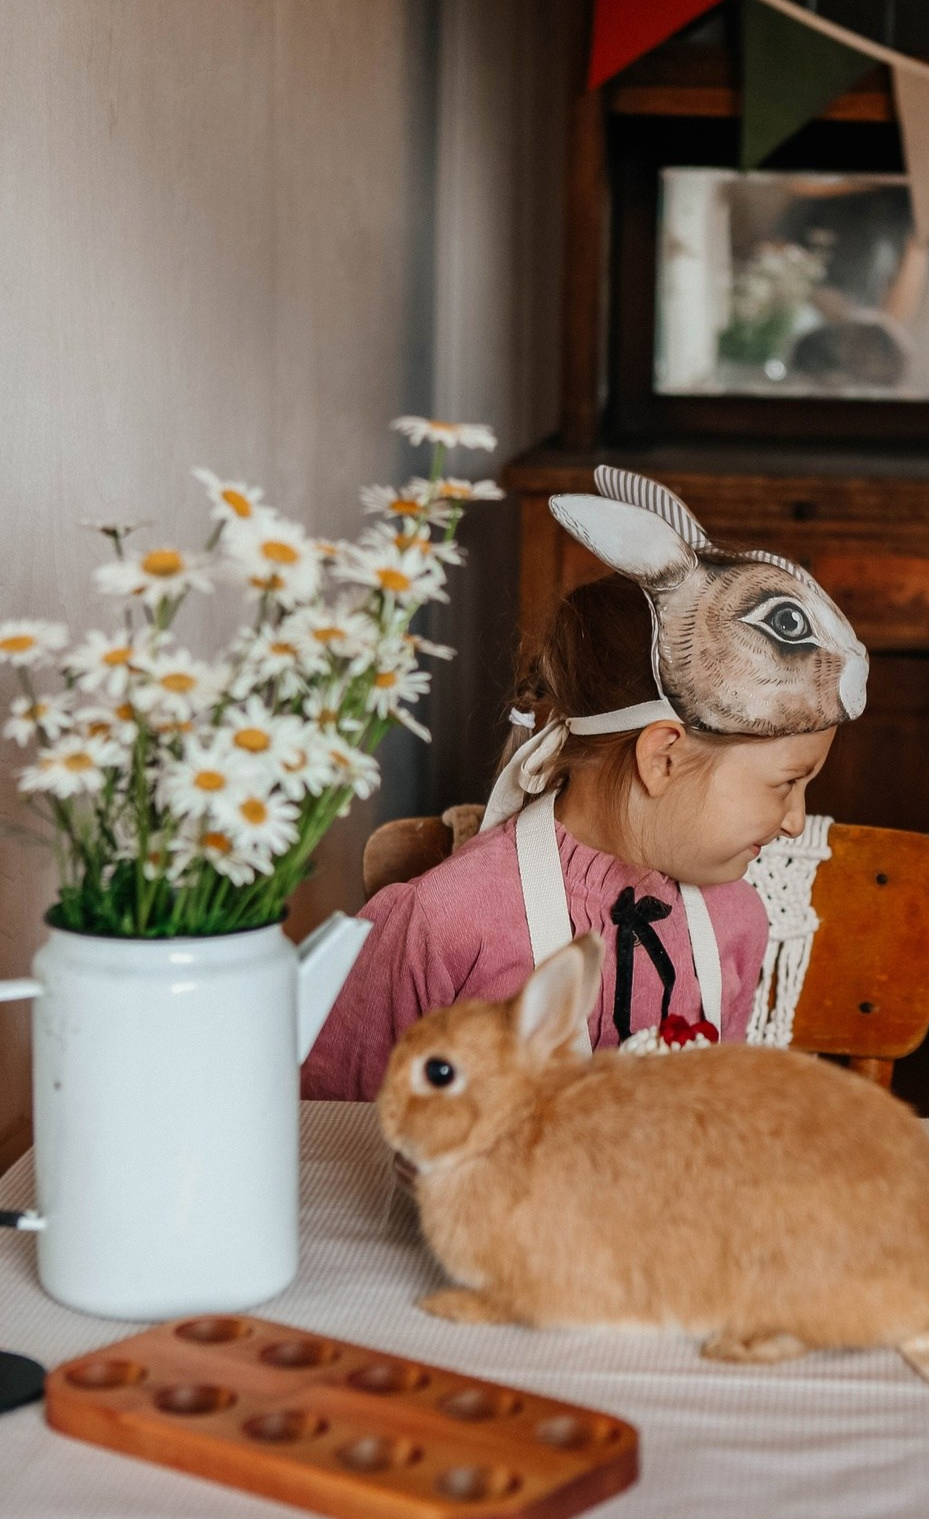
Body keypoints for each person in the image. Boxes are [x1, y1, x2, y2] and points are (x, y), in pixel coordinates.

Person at [303, 467, 868, 1103]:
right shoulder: (449, 925)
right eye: (787, 783)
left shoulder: (736, 923)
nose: (796, 820)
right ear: (663, 757)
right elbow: (334, 1131)